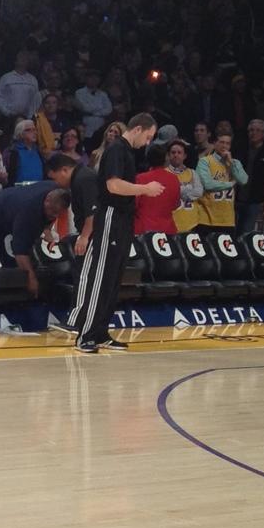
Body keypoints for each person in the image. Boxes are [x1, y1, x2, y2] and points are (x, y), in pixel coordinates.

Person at [64, 114, 155, 352]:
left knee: (114, 278)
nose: (147, 143)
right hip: (111, 216)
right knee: (101, 276)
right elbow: (113, 185)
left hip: (124, 219)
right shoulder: (116, 149)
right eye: (148, 136)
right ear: (137, 129)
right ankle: (86, 335)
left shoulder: (127, 152)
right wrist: (145, 189)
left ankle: (101, 331)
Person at [0, 172, 69, 297]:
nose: (55, 216)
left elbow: (50, 215)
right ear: (46, 200)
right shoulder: (28, 214)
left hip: (11, 200)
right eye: (53, 211)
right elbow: (20, 252)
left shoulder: (55, 188)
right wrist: (31, 280)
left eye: (58, 213)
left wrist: (47, 229)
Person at [194, 129, 247, 235]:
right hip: (206, 219)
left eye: (227, 143)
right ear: (214, 143)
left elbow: (243, 180)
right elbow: (207, 184)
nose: (224, 146)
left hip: (227, 220)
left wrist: (231, 163)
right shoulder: (205, 161)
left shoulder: (235, 163)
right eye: (221, 142)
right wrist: (230, 184)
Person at [134, 141, 181, 236]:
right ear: (165, 159)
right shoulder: (174, 179)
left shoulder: (140, 178)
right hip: (168, 231)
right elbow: (175, 205)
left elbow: (134, 204)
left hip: (143, 230)